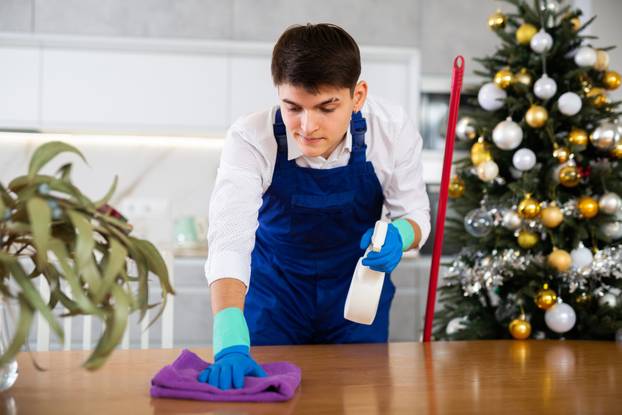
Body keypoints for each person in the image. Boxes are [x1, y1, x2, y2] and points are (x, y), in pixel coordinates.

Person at [198, 23, 430, 390]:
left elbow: (415, 215)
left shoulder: (390, 129)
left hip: (356, 298)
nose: (307, 126)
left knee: (360, 399)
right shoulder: (250, 138)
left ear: (357, 96)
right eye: (293, 107)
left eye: (326, 107)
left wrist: (399, 235)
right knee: (267, 401)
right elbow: (229, 242)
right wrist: (228, 339)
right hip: (275, 298)